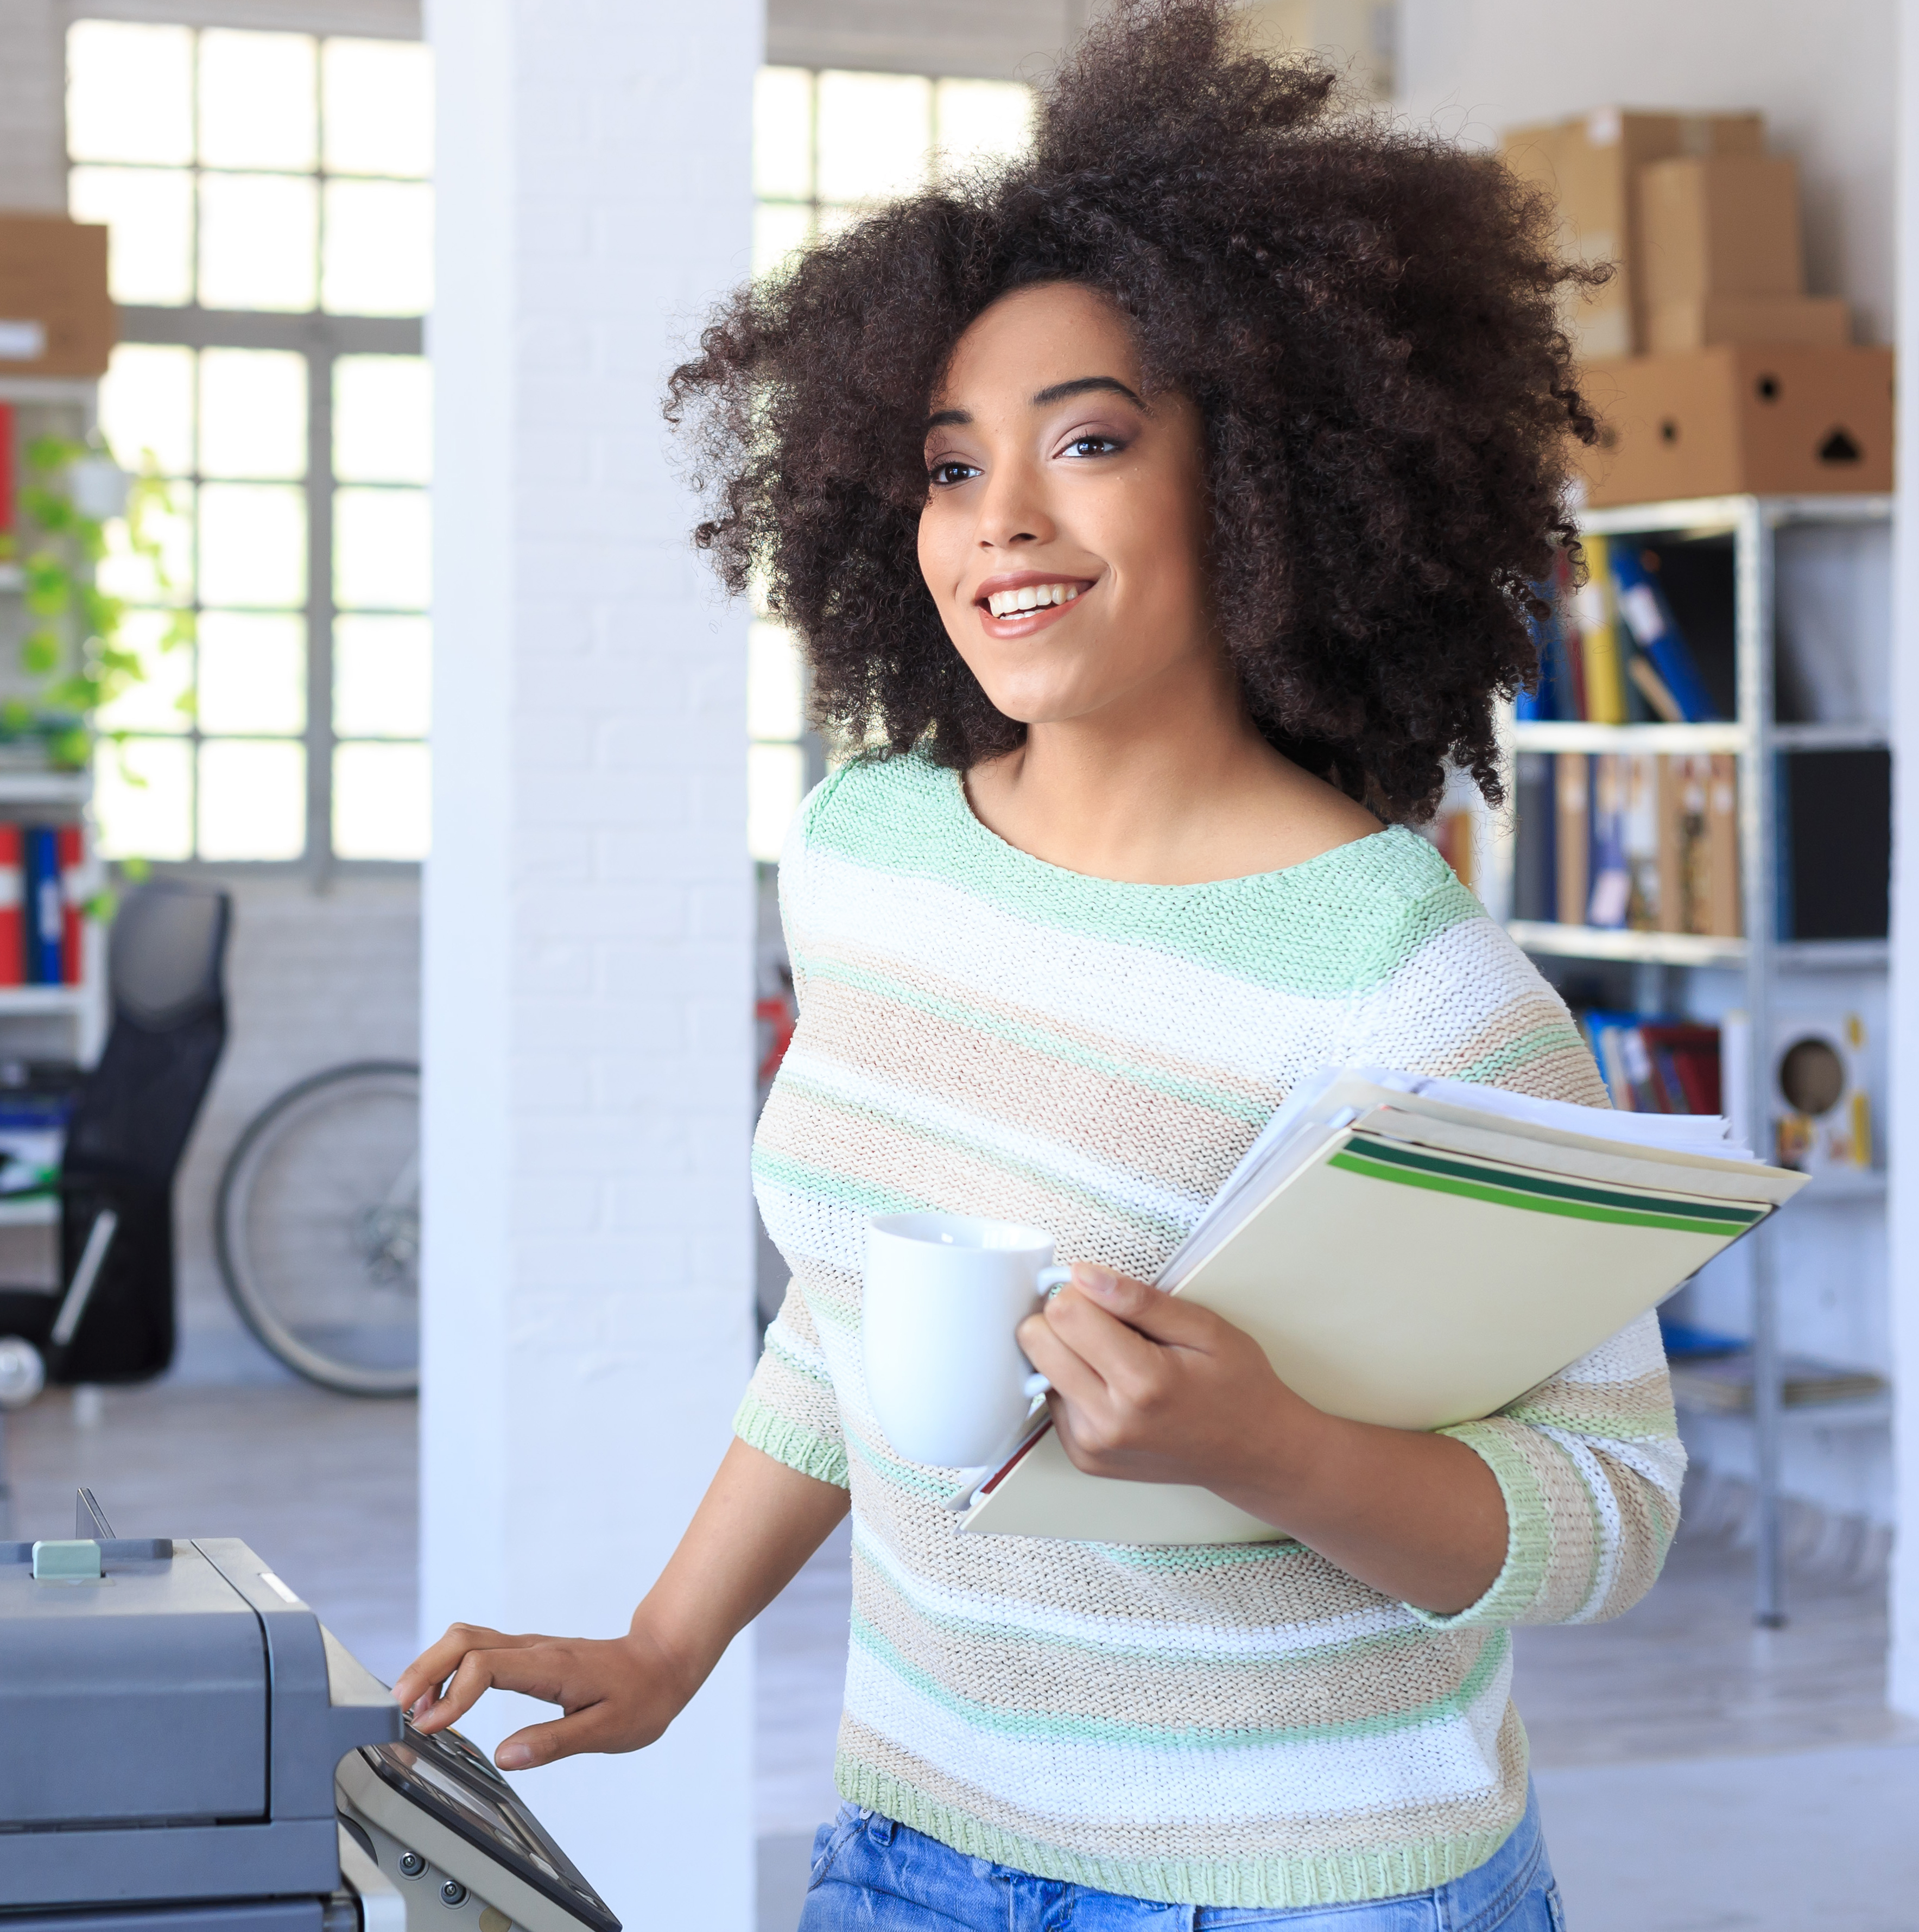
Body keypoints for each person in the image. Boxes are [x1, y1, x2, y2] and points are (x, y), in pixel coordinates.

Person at [394, 3, 1667, 1927]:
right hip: (910, 1842)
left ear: (1262, 480)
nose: (1002, 520)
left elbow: (1612, 1513)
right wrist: (670, 1645)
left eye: (1086, 441)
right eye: (944, 464)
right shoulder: (871, 850)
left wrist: (1277, 1449)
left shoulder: (1404, 982)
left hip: (1309, 1885)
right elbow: (844, 1317)